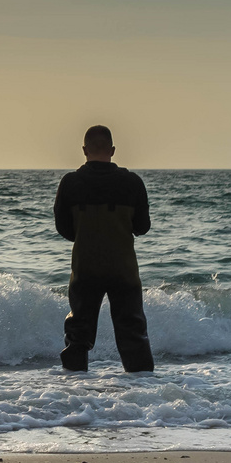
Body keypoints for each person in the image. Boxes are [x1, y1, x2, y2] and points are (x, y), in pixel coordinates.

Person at [53, 125, 154, 372]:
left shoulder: (70, 183)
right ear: (112, 150)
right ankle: (144, 392)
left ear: (85, 150)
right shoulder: (132, 182)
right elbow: (142, 226)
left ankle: (74, 391)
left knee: (78, 333)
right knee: (132, 332)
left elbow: (63, 228)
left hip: (85, 268)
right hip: (124, 270)